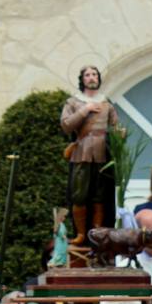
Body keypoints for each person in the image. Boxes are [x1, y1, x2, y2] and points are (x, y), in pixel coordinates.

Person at [62, 65, 120, 243]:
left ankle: (97, 232)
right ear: (82, 79)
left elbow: (115, 127)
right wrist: (84, 110)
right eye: (87, 75)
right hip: (82, 150)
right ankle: (80, 233)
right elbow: (66, 125)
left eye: (94, 74)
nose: (91, 77)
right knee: (79, 193)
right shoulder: (73, 102)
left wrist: (120, 134)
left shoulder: (107, 104)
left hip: (103, 152)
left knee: (100, 194)